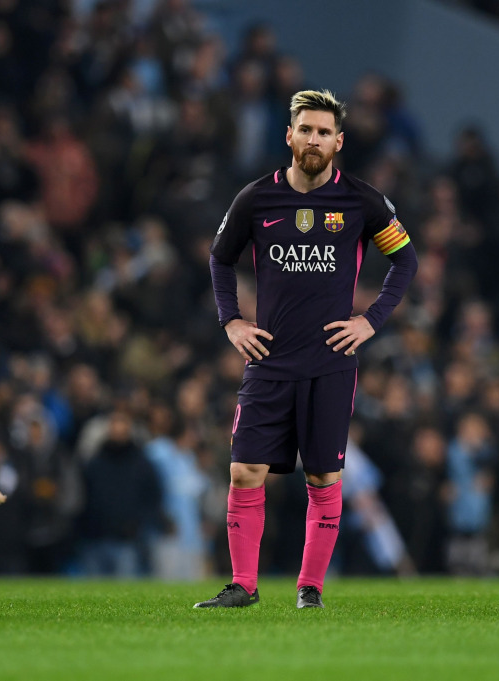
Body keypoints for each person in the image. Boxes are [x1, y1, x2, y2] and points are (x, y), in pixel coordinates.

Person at [196, 90, 418, 609]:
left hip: (330, 364)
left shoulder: (361, 200)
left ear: (338, 141)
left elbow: (405, 260)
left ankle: (310, 590)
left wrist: (371, 320)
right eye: (306, 130)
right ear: (289, 136)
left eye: (324, 132)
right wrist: (231, 322)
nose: (314, 139)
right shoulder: (256, 198)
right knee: (244, 472)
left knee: (324, 477)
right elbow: (219, 260)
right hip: (269, 361)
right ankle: (243, 586)